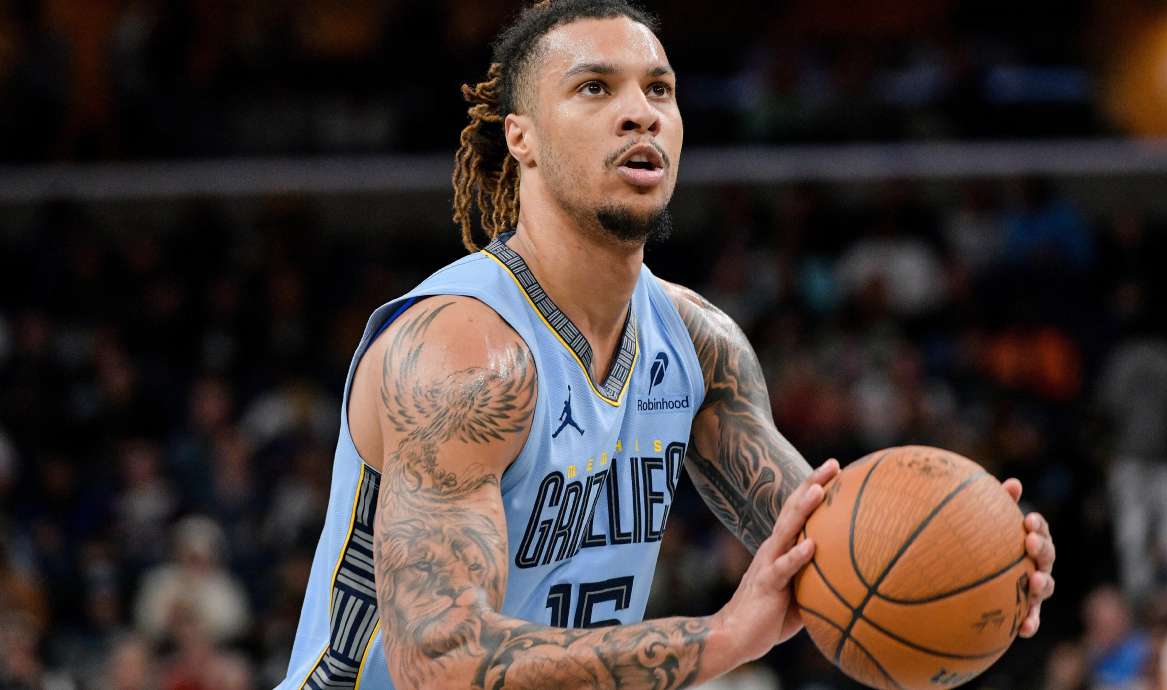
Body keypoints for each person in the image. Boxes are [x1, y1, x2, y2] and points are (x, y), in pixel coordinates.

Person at [274, 2, 1057, 688]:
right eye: (594, 88)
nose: (640, 112)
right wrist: (720, 638)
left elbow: (832, 556)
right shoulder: (465, 353)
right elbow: (439, 665)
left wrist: (979, 557)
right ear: (522, 138)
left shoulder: (698, 343)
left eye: (659, 90)